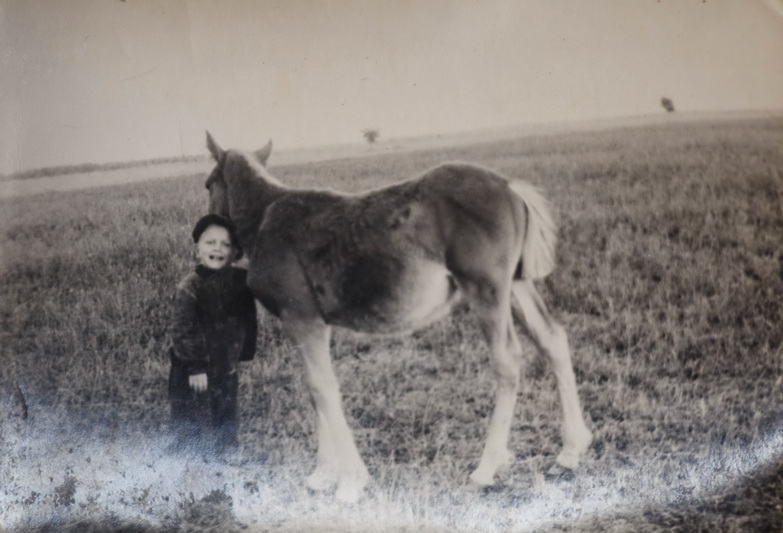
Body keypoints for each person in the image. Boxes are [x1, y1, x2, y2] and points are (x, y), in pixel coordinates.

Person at [168, 214, 258, 453]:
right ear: (197, 249)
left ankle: (226, 451)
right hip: (194, 368)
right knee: (193, 414)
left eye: (226, 244)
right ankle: (189, 457)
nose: (217, 248)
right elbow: (183, 330)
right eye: (210, 242)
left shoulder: (239, 282)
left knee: (226, 409)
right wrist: (195, 367)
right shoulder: (191, 287)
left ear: (234, 253)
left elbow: (248, 311)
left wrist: (244, 352)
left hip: (225, 364)